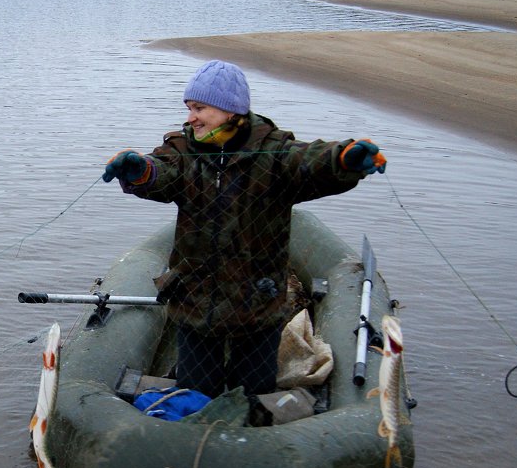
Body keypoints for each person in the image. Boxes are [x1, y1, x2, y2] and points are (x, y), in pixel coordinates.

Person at [102, 59, 385, 400]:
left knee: (253, 395)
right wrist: (139, 171)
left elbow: (310, 161)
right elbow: (162, 173)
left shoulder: (273, 151)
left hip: (257, 309)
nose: (191, 117)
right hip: (196, 306)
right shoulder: (182, 149)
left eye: (200, 108)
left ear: (229, 110)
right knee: (196, 394)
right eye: (190, 108)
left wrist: (345, 159)